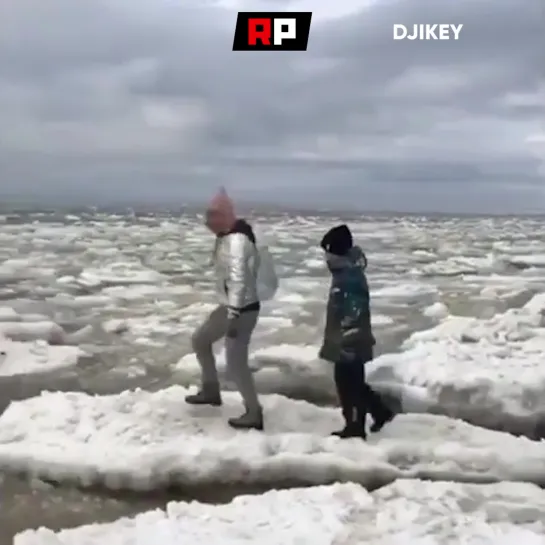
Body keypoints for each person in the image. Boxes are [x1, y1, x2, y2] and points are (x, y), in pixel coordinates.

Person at [185, 188, 264, 431]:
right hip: (231, 304)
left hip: (242, 309)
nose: (207, 222)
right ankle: (211, 390)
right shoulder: (227, 236)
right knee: (201, 339)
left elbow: (241, 281)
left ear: (224, 216)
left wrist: (233, 318)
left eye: (212, 216)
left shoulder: (237, 242)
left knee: (236, 363)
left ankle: (254, 412)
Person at [318, 224, 395, 439]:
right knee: (354, 383)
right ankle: (380, 412)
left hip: (349, 340)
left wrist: (345, 339)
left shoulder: (348, 277)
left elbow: (354, 310)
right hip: (347, 338)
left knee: (347, 385)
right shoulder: (346, 271)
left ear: (337, 251)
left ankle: (355, 427)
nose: (326, 256)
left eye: (328, 251)